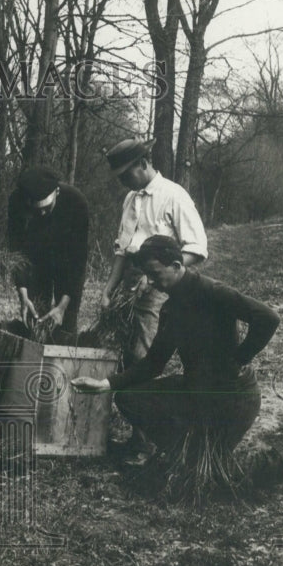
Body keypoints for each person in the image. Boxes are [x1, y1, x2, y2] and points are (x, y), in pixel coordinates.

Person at [72, 235, 279, 463]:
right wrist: (106, 384)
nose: (150, 282)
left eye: (155, 274)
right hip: (199, 390)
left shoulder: (212, 292)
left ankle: (280, 459)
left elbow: (268, 317)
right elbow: (154, 363)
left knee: (212, 471)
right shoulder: (171, 308)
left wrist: (240, 357)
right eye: (147, 275)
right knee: (129, 398)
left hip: (231, 397)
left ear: (177, 266)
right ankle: (184, 453)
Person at [99, 137, 208, 455]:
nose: (122, 182)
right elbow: (123, 249)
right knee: (117, 353)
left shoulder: (173, 196)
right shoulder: (130, 199)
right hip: (129, 285)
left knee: (143, 356)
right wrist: (108, 289)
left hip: (159, 287)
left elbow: (197, 249)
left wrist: (155, 276)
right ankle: (129, 430)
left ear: (144, 164)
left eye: (126, 174)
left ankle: (146, 441)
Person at [6, 166, 90, 339]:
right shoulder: (16, 201)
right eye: (36, 211)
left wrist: (62, 307)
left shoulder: (77, 201)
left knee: (65, 322)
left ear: (57, 192)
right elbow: (16, 251)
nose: (42, 213)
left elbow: (78, 260)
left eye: (47, 208)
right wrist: (23, 294)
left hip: (66, 261)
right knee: (34, 316)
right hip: (35, 261)